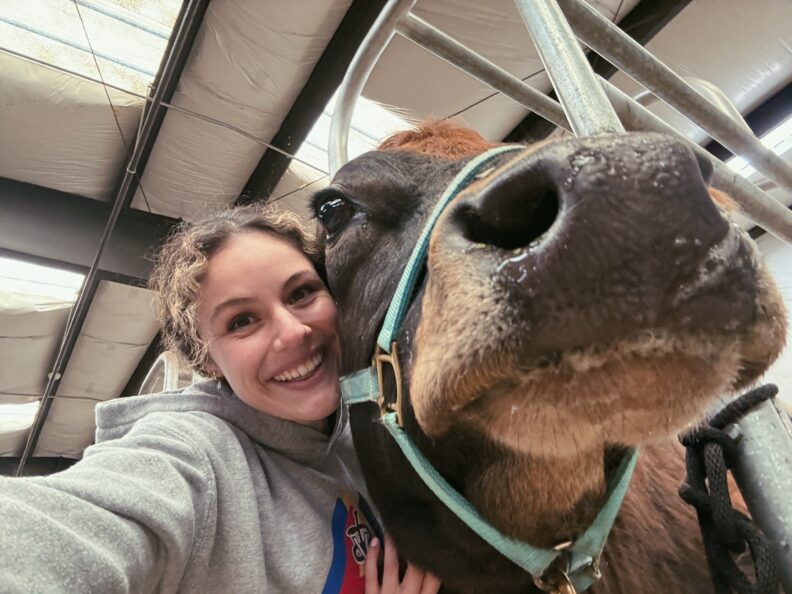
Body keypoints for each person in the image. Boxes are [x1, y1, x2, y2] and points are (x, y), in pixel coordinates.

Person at [0, 205, 441, 594]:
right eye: (242, 321)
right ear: (206, 360)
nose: (293, 333)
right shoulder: (192, 457)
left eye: (301, 293)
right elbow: (66, 526)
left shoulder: (371, 419)